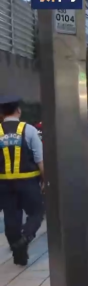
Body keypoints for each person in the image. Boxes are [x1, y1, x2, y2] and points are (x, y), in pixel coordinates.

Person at [0, 96, 45, 266]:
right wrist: (44, 180)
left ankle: (18, 253)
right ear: (18, 111)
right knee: (37, 212)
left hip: (4, 184)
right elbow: (40, 159)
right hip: (28, 182)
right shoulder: (30, 130)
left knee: (11, 217)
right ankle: (25, 238)